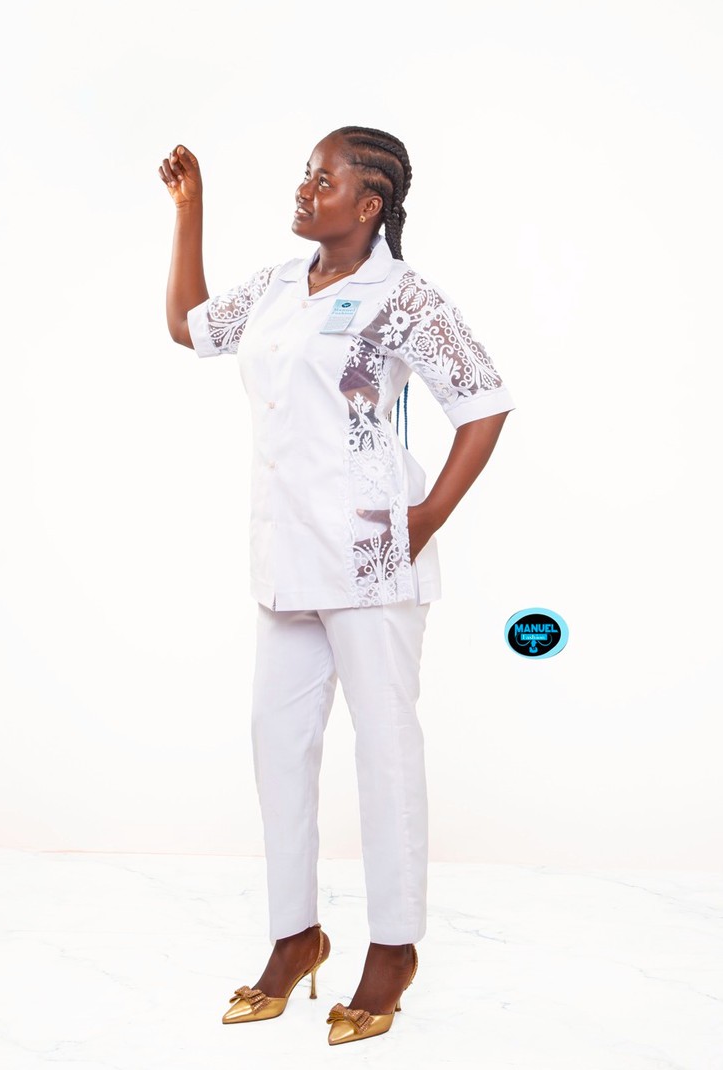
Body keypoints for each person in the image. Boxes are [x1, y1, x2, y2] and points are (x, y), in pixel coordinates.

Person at [159, 127, 515, 1045]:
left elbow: (483, 403)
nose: (306, 189)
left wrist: (425, 518)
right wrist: (191, 211)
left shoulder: (403, 298)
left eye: (325, 180)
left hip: (369, 557)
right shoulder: (280, 285)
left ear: (370, 204)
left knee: (384, 753)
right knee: (277, 745)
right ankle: (295, 936)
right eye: (305, 175)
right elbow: (189, 326)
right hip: (284, 558)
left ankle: (393, 949)